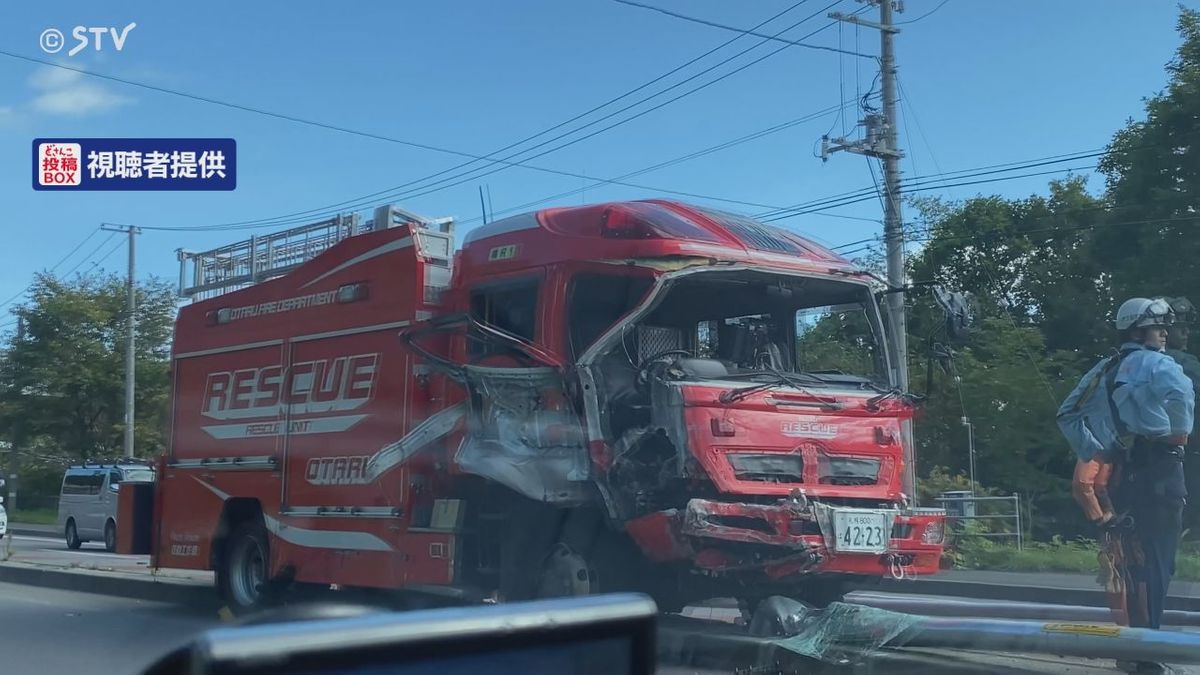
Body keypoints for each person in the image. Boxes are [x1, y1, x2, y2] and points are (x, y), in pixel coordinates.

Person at [1105, 297, 1195, 674]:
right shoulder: (1169, 366)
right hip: (1161, 472)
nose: (1167, 332)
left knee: (1130, 565)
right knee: (1157, 564)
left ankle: (1132, 648)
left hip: (1126, 475)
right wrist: (1179, 434)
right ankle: (1146, 654)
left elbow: (1078, 416)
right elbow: (1184, 398)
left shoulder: (1110, 369)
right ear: (1139, 330)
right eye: (1160, 326)